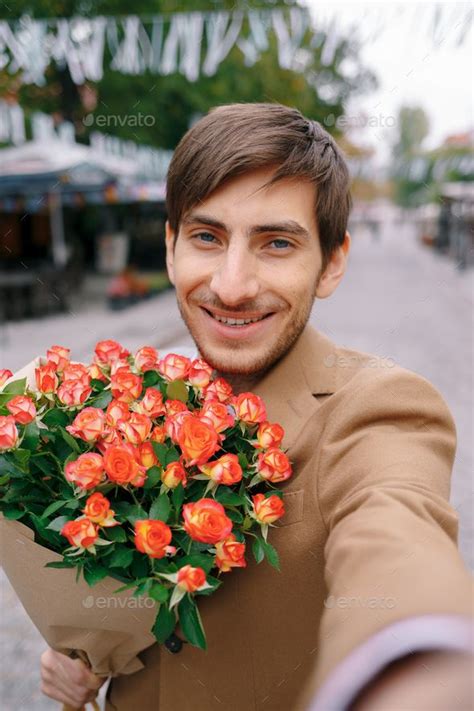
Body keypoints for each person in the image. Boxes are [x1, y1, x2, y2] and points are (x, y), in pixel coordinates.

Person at [40, 103, 473, 710]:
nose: (232, 285)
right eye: (207, 237)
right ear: (171, 248)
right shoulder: (127, 403)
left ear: (333, 262)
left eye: (276, 242)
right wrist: (89, 652)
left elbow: (396, 533)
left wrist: (415, 662)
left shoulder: (381, 409)